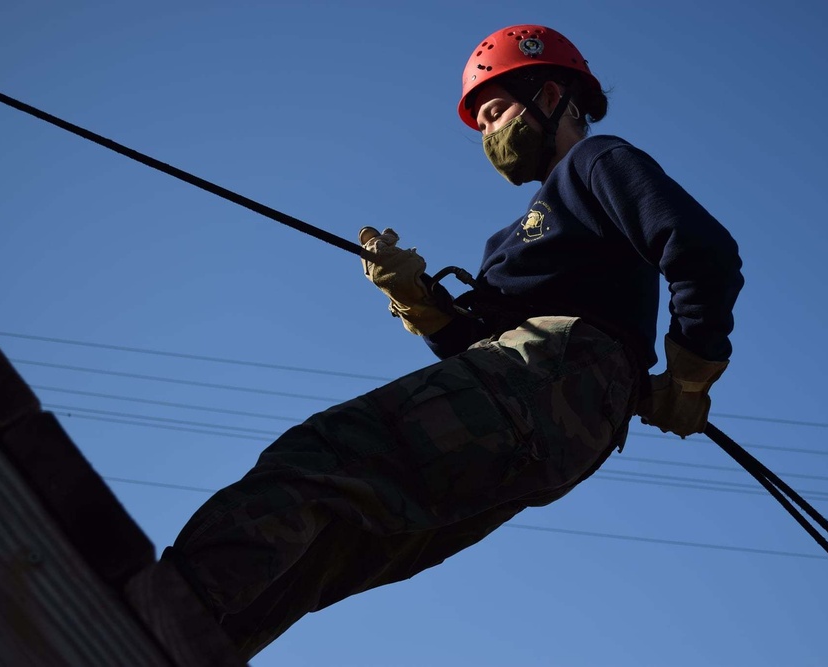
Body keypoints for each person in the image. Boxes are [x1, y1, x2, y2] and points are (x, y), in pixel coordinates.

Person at [162, 24, 744, 660]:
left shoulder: (595, 162)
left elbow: (700, 250)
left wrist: (688, 376)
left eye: (496, 111)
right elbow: (481, 353)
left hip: (558, 372)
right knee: (338, 543)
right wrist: (421, 302)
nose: (490, 134)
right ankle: (175, 647)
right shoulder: (509, 242)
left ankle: (157, 609)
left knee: (324, 458)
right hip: (559, 414)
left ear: (551, 95)